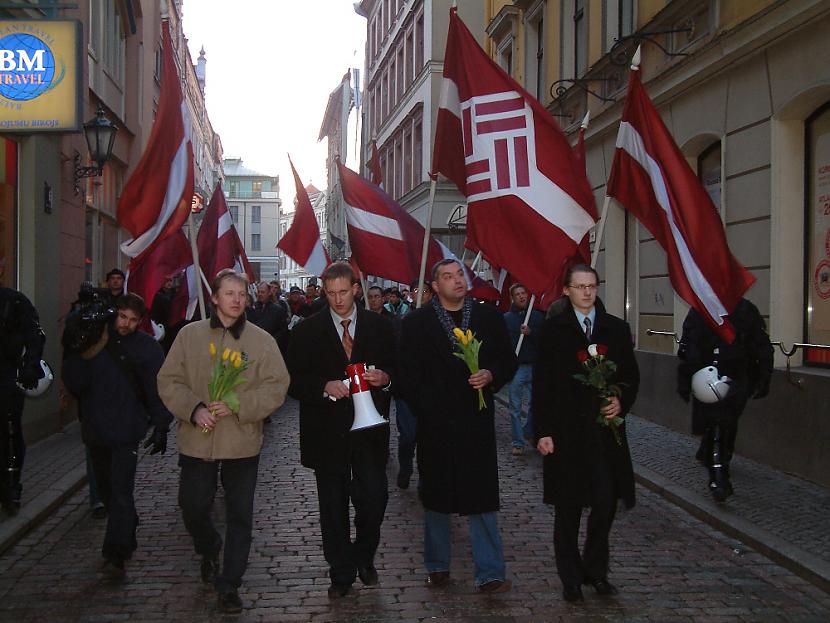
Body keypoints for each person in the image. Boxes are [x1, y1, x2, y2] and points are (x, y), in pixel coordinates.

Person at [157, 269, 289, 614]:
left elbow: (277, 386)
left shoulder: (262, 341)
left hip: (241, 442)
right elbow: (169, 379)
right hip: (197, 440)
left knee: (240, 514)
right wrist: (193, 408)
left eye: (241, 294)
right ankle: (208, 545)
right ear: (214, 298)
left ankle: (230, 583)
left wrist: (240, 406)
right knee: (194, 506)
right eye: (229, 293)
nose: (237, 299)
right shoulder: (190, 335)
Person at [399, 259, 517, 593]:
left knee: (481, 496)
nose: (457, 281)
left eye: (459, 275)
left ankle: (490, 571)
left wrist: (491, 374)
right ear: (435, 286)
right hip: (436, 422)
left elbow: (508, 359)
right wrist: (429, 405)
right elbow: (407, 375)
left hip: (476, 421)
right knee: (437, 495)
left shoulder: (487, 317)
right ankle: (437, 564)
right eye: (448, 277)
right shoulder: (416, 323)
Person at [287, 262, 395, 599]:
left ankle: (364, 555)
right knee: (332, 507)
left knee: (374, 498)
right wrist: (324, 385)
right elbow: (292, 379)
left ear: (356, 289)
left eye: (343, 292)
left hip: (369, 432)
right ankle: (341, 572)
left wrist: (386, 378)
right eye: (330, 293)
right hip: (327, 433)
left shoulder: (381, 327)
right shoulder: (307, 330)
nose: (337, 300)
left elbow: (400, 367)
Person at [533, 264, 640, 603]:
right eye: (579, 286)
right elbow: (543, 385)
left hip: (604, 434)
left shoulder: (616, 329)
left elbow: (630, 376)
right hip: (566, 432)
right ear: (566, 290)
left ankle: (596, 568)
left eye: (592, 286)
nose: (587, 292)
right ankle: (570, 577)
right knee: (569, 507)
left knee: (606, 502)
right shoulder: (552, 330)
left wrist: (619, 399)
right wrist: (543, 431)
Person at [62, 293, 172, 579]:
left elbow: (155, 388)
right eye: (123, 317)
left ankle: (116, 552)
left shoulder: (147, 348)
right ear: (114, 314)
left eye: (134, 320)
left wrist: (162, 424)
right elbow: (76, 384)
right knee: (108, 491)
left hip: (127, 429)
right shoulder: (94, 341)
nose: (127, 324)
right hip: (95, 428)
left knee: (122, 492)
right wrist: (74, 350)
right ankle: (126, 525)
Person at [677, 297, 773, 501]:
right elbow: (688, 347)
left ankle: (719, 460)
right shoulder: (700, 310)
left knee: (727, 422)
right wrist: (686, 378)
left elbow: (762, 345)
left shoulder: (746, 310)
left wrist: (764, 377)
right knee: (715, 424)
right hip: (707, 377)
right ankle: (718, 475)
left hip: (737, 377)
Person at [0, 272, 45, 514]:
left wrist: (30, 365)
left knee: (9, 431)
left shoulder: (14, 302)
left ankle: (11, 483)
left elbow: (35, 335)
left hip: (7, 377)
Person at [392, 279, 433, 489]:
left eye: (425, 291)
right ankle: (406, 467)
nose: (421, 295)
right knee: (408, 435)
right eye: (417, 290)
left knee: (428, 437)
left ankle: (426, 477)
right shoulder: (400, 320)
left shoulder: (438, 321)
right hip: (406, 390)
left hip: (430, 391)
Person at [503, 283, 544, 456]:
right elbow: (504, 344)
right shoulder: (507, 318)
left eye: (523, 293)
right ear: (513, 297)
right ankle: (518, 441)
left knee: (537, 404)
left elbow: (544, 342)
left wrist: (531, 333)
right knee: (515, 407)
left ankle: (530, 432)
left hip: (535, 366)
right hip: (517, 367)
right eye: (518, 294)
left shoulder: (537, 317)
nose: (521, 296)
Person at [247, 282, 288, 353]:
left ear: (269, 293)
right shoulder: (252, 309)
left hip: (271, 349)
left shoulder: (278, 310)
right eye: (259, 292)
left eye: (262, 292)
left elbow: (283, 331)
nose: (260, 294)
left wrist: (272, 340)